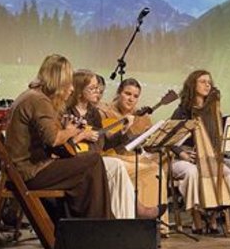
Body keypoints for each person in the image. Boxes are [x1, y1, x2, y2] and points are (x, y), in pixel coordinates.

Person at [4, 54, 111, 219]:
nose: (72, 88)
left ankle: (83, 227)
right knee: (94, 161)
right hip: (29, 172)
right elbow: (52, 139)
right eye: (69, 83)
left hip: (24, 169)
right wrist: (74, 130)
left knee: (86, 170)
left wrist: (66, 130)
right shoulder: (39, 100)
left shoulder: (32, 95)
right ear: (59, 81)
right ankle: (98, 226)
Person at [66, 69, 160, 219]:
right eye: (93, 88)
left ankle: (126, 220)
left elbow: (104, 143)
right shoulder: (67, 111)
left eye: (98, 88)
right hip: (76, 160)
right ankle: (131, 214)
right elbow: (60, 142)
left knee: (120, 167)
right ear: (79, 90)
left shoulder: (93, 113)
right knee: (117, 165)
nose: (98, 92)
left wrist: (123, 131)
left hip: (94, 158)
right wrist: (81, 135)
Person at [170, 70, 230, 235]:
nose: (207, 85)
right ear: (192, 85)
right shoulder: (183, 111)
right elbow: (170, 140)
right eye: (202, 81)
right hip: (186, 158)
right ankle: (197, 218)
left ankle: (214, 214)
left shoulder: (214, 111)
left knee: (229, 172)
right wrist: (183, 154)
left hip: (209, 158)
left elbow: (217, 137)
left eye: (209, 82)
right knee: (193, 172)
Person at [102, 78, 169, 222]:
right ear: (119, 93)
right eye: (127, 94)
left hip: (134, 157)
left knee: (157, 169)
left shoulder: (142, 116)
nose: (131, 99)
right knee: (149, 169)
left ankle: (158, 223)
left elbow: (148, 144)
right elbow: (108, 143)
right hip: (114, 157)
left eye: (135, 96)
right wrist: (125, 129)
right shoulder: (106, 112)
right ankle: (137, 218)